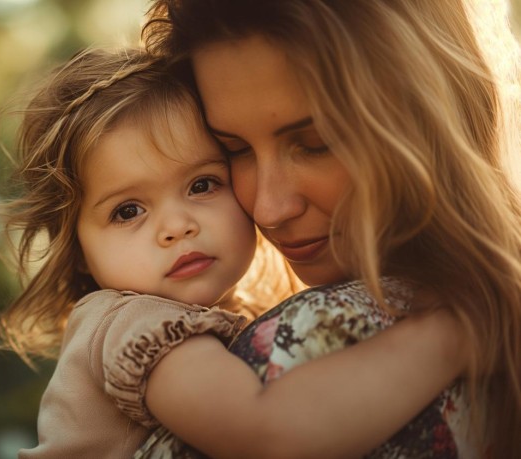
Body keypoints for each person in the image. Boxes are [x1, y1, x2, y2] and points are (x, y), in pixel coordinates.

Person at [0, 46, 467, 459]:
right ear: (79, 250)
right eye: (127, 211)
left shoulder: (220, 315)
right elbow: (273, 435)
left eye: (201, 184)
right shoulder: (131, 324)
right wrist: (457, 335)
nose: (176, 226)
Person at [134, 0, 521, 457]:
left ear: (427, 120)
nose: (269, 208)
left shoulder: (308, 337)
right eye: (233, 148)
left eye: (316, 143)